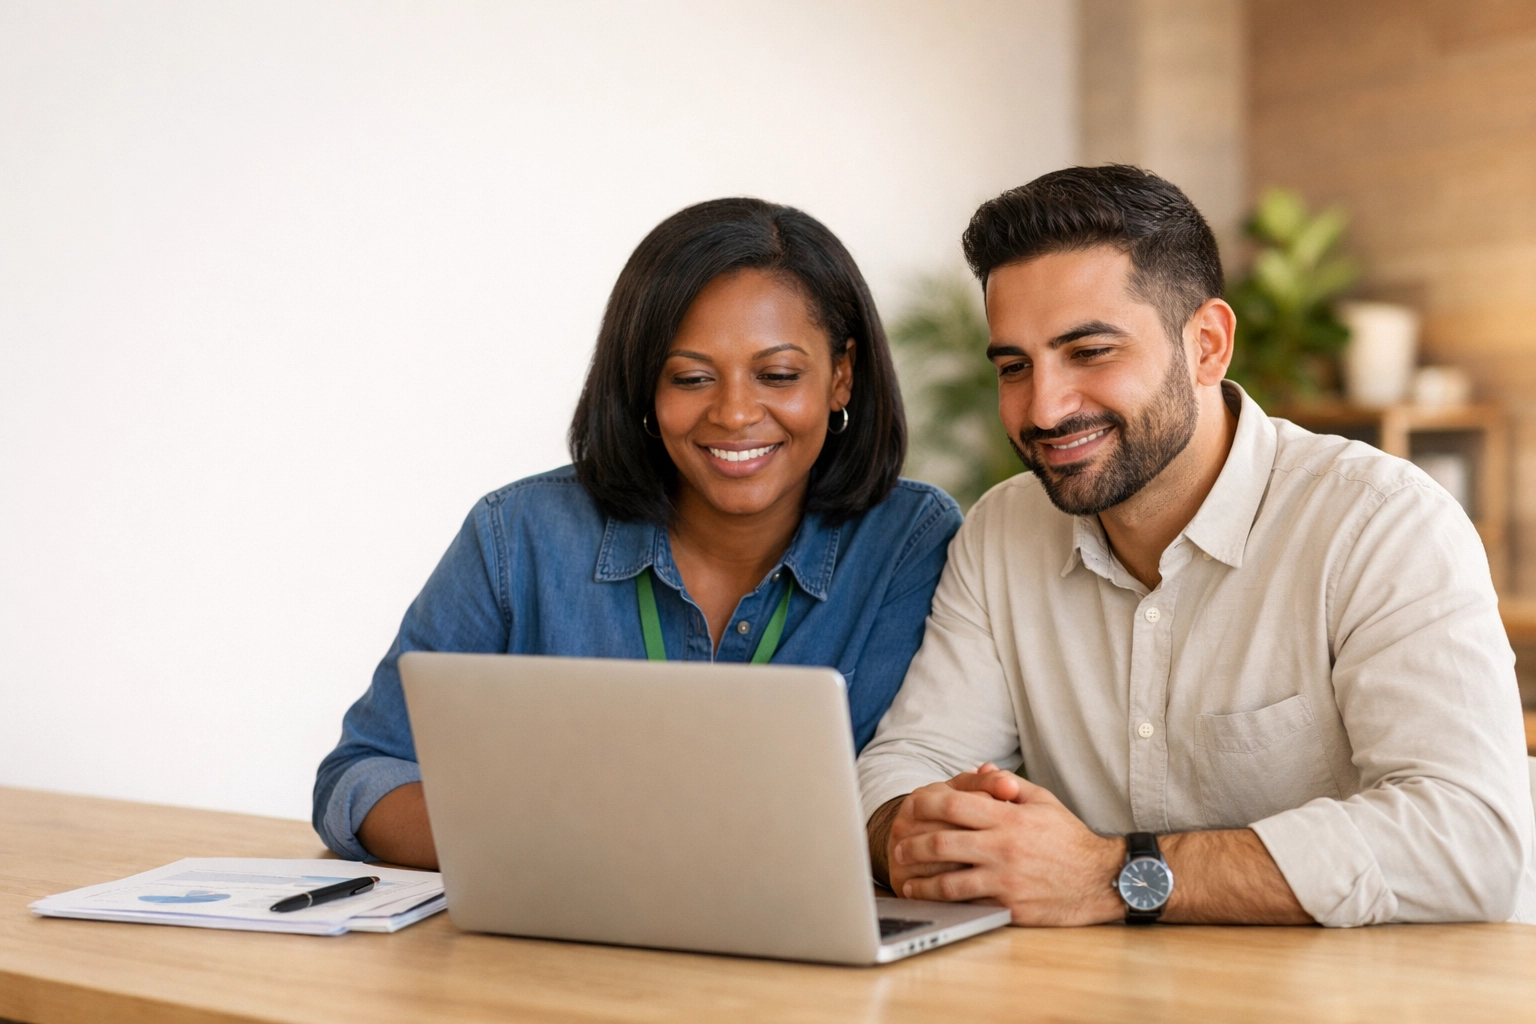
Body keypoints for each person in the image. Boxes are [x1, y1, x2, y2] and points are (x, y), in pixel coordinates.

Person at [857, 165, 1536, 927]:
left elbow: (1472, 840)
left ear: (1208, 345)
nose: (1043, 407)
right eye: (1015, 366)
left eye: (1090, 352)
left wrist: (1113, 875)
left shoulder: (1380, 523)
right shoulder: (1000, 533)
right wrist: (918, 829)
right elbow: (907, 763)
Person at [315, 197, 962, 868]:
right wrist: (551, 851)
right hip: (553, 948)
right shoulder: (519, 536)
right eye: (691, 377)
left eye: (777, 375)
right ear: (644, 386)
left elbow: (909, 789)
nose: (736, 413)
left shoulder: (909, 542)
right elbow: (364, 777)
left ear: (842, 376)